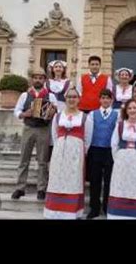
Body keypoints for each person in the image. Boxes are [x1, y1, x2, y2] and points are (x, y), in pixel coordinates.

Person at [11, 68, 57, 201]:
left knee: (43, 161)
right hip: (29, 127)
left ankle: (41, 189)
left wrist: (52, 112)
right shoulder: (25, 95)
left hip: (44, 128)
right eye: (36, 77)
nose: (38, 80)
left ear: (45, 80)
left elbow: (56, 112)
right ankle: (20, 188)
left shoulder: (51, 95)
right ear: (32, 79)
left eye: (41, 78)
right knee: (24, 159)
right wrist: (25, 114)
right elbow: (17, 110)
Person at [44, 87, 88, 219]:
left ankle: (72, 211)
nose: (71, 99)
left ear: (79, 99)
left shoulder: (84, 117)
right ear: (65, 99)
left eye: (74, 97)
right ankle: (54, 210)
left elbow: (87, 139)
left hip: (76, 152)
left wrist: (79, 150)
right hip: (60, 151)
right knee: (57, 178)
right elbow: (54, 134)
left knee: (73, 180)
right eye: (69, 97)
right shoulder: (58, 116)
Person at [107, 99, 136, 219]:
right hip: (122, 160)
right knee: (120, 185)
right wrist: (119, 159)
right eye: (130, 108)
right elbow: (114, 144)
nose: (132, 110)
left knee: (135, 186)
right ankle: (116, 214)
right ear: (126, 111)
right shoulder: (120, 126)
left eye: (134, 108)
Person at [84, 89, 119, 219]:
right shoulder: (92, 114)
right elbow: (88, 133)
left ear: (112, 100)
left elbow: (117, 135)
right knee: (95, 180)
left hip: (110, 151)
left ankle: (107, 206)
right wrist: (87, 150)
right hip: (95, 149)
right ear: (100, 99)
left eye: (108, 98)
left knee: (109, 180)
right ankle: (94, 207)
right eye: (103, 98)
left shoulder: (117, 115)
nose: (105, 100)